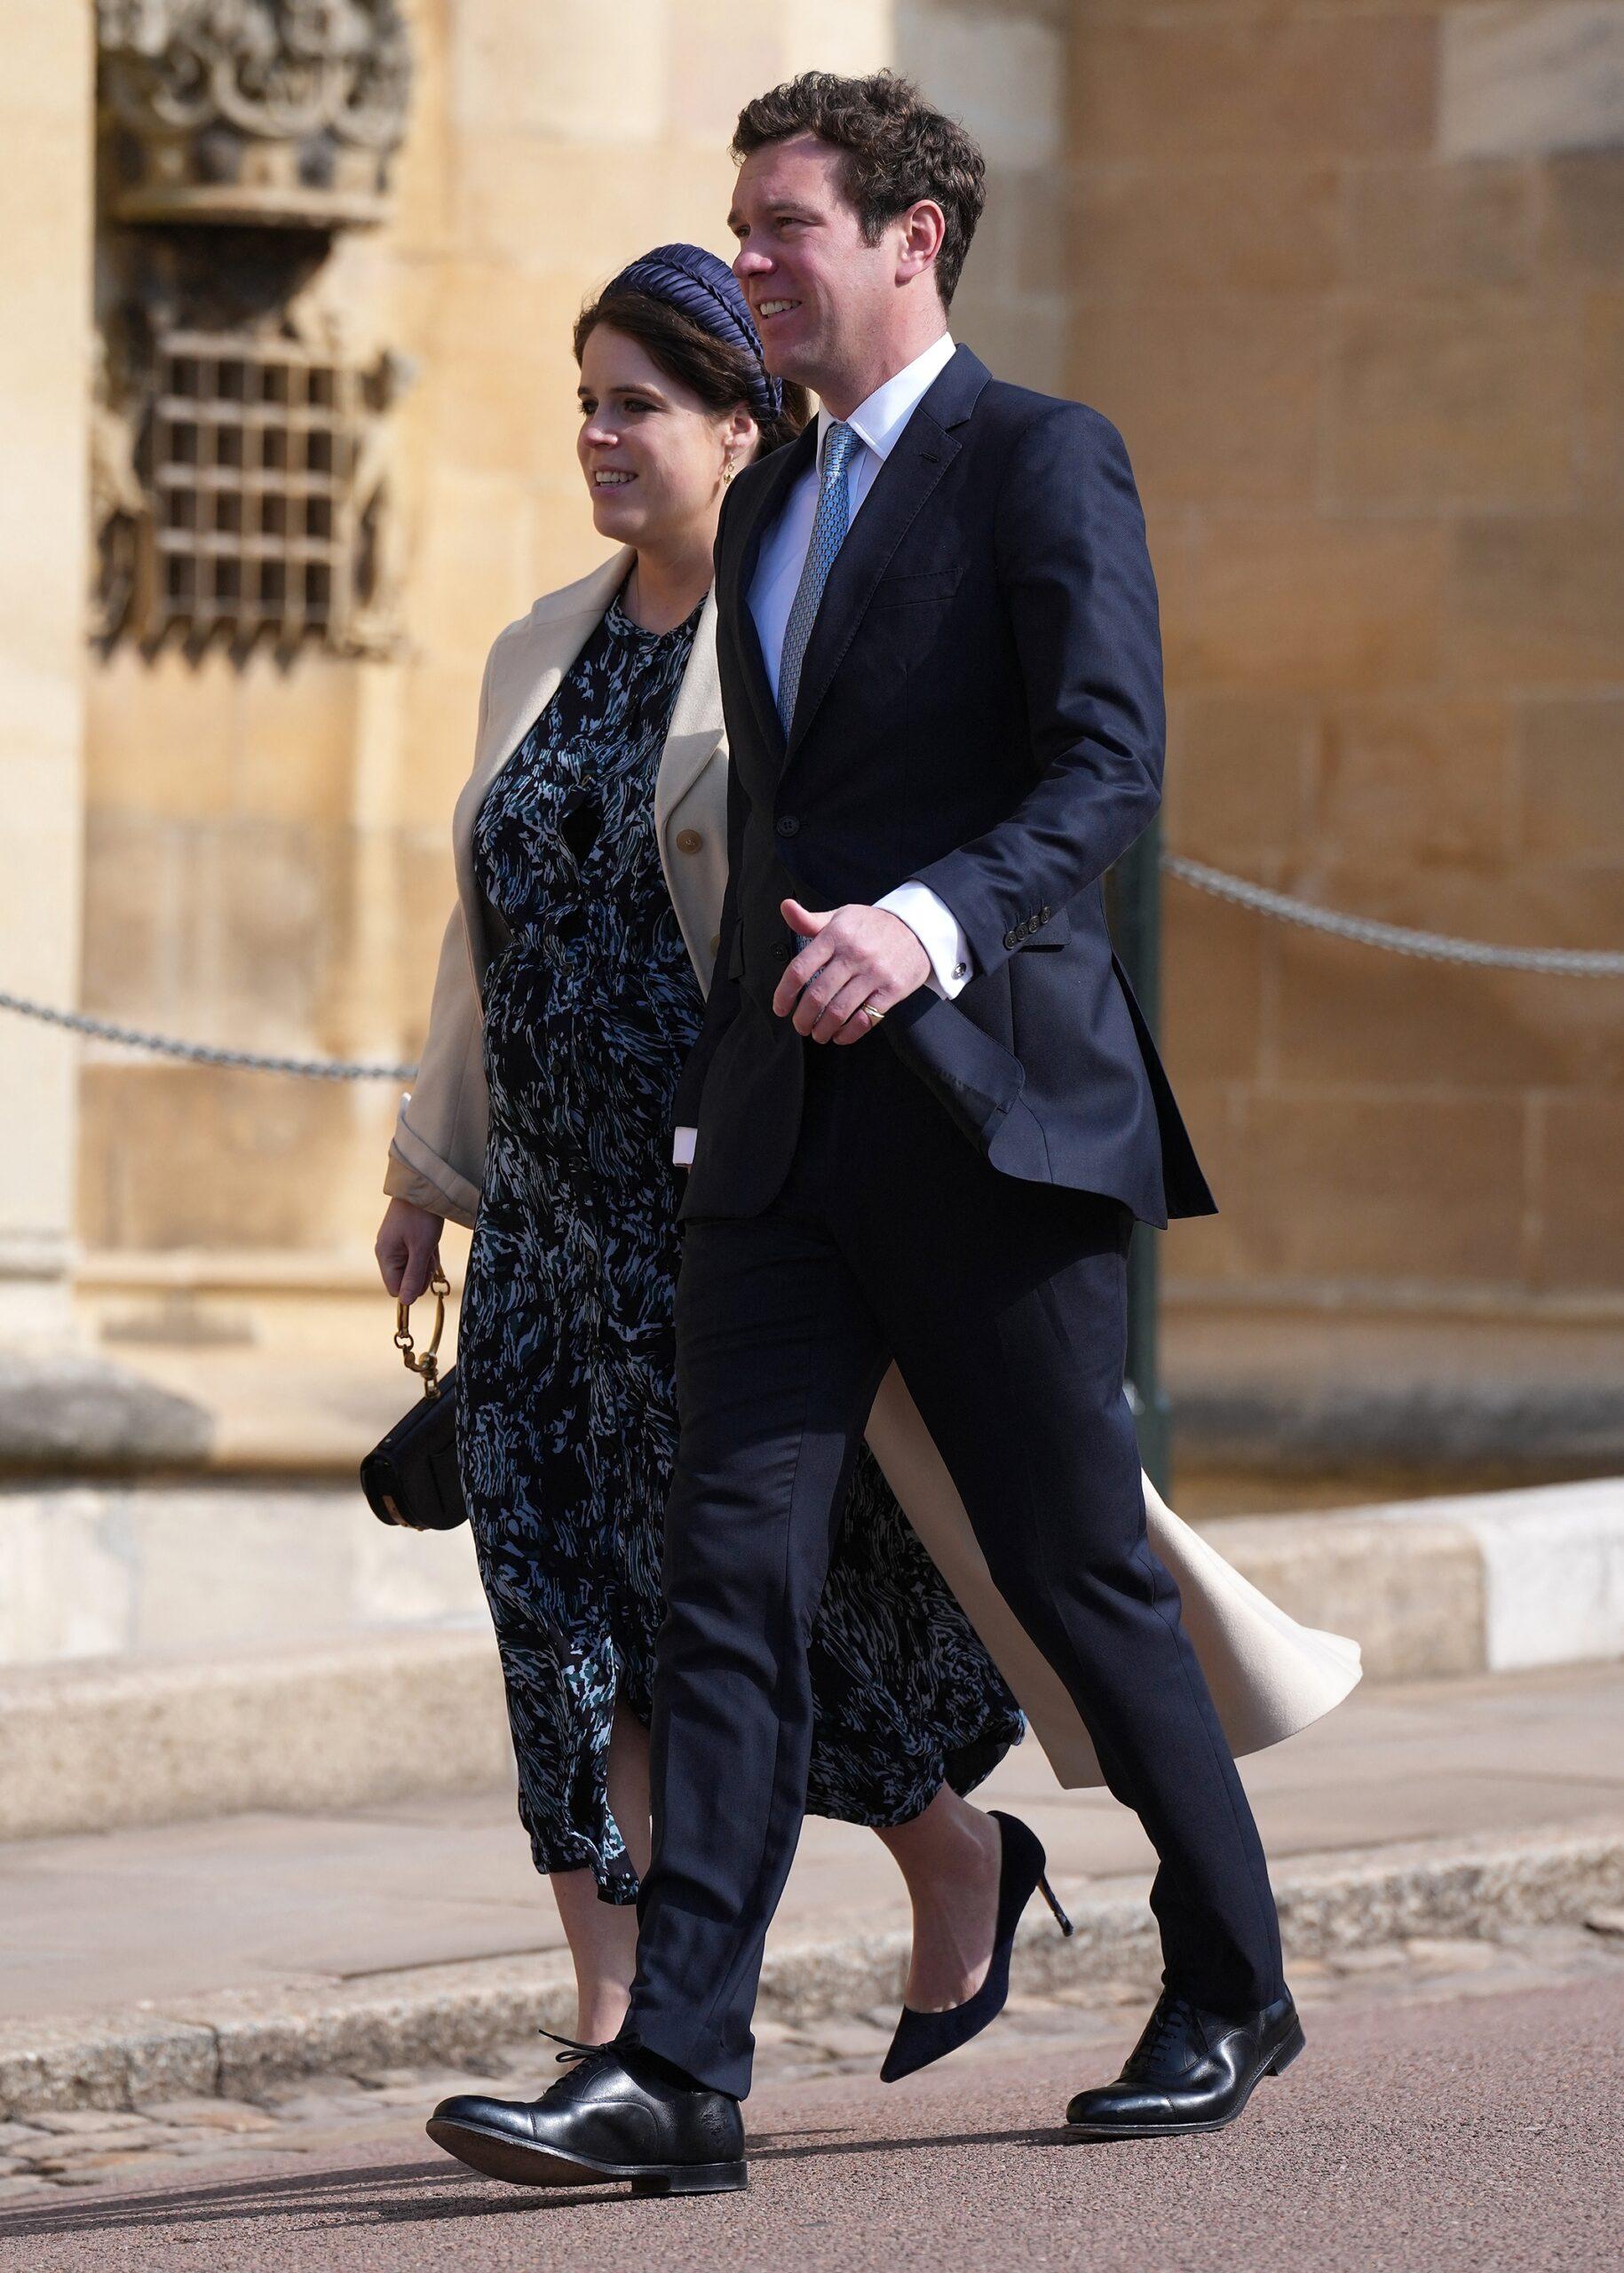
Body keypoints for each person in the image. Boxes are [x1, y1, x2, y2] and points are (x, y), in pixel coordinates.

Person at [424, 74, 1359, 2200]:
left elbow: (1104, 765)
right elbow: (758, 840)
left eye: (781, 227)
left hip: (997, 1122)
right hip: (768, 1144)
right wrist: (691, 1094)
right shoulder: (760, 511)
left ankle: (1231, 1974)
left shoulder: (1044, 460)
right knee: (720, 1582)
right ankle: (680, 2068)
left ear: (911, 238)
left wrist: (929, 929)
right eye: (738, 227)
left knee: (1077, 1567)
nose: (749, 259)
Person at [376, 242, 1031, 2055]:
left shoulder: (802, 649)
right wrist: (430, 1176)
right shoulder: (534, 644)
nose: (596, 434)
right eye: (583, 401)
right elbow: (481, 934)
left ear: (744, 428)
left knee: (740, 1612)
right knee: (552, 1616)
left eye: (635, 404)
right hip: (542, 1233)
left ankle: (952, 1850)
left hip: (723, 1215)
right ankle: (615, 2020)